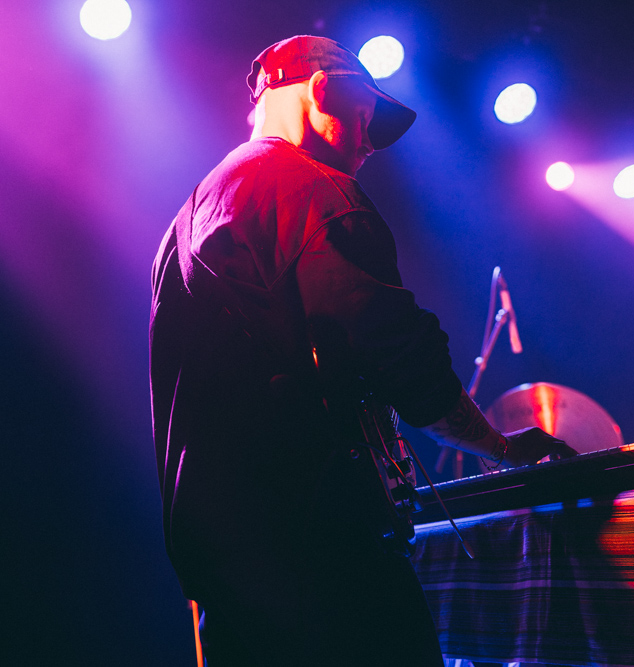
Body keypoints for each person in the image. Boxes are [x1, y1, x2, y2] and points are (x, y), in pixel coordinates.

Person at [149, 35, 573, 666]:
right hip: (320, 559)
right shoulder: (313, 191)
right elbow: (404, 360)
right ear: (321, 92)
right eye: (367, 123)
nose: (370, 146)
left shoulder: (183, 225)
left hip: (223, 577)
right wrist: (504, 448)